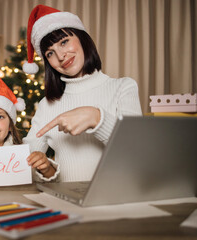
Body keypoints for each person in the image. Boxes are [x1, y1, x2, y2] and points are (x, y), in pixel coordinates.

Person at [22, 5, 142, 182]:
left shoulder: (123, 87)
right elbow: (27, 160)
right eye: (50, 53)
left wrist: (96, 118)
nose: (61, 55)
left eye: (64, 42)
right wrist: (45, 167)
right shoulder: (47, 105)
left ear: (82, 38)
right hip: (65, 201)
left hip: (114, 201)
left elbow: (137, 151)